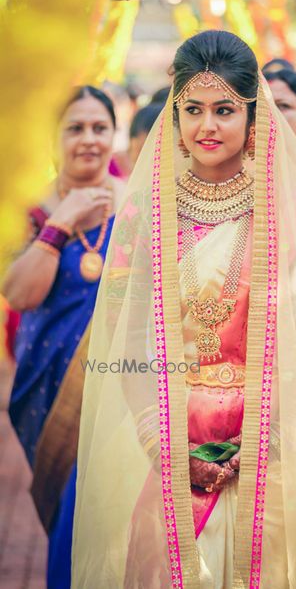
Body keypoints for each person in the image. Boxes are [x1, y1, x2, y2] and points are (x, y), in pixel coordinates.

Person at [72, 30, 296, 587]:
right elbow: (124, 341)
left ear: (253, 114)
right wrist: (163, 446)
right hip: (169, 447)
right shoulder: (145, 215)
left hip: (272, 453)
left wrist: (269, 437)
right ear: (175, 115)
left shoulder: (295, 213)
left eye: (224, 110)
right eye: (192, 110)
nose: (207, 127)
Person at [3, 85, 125, 589]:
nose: (89, 140)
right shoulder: (29, 209)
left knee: (110, 521)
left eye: (100, 128)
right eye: (75, 128)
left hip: (120, 387)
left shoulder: (138, 201)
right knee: (66, 518)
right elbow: (20, 293)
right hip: (50, 388)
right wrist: (62, 220)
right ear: (54, 138)